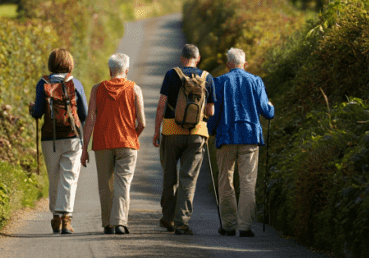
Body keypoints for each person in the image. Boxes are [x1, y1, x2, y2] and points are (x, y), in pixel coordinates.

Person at [207, 47, 274, 237]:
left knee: (225, 181)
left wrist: (210, 131)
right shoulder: (256, 81)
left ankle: (228, 225)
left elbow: (214, 114)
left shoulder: (218, 82)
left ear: (228, 64)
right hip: (250, 137)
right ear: (245, 64)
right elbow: (266, 112)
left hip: (226, 137)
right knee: (248, 182)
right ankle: (245, 227)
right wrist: (272, 107)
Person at [152, 44, 214, 235]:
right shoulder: (207, 78)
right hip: (197, 134)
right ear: (199, 57)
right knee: (188, 179)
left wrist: (156, 131)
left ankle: (168, 219)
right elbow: (210, 111)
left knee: (170, 177)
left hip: (171, 131)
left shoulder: (172, 74)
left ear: (182, 58)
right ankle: (182, 223)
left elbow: (161, 105)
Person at [81, 53, 145, 235]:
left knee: (105, 184)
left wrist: (84, 148)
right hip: (127, 143)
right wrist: (133, 135)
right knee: (123, 183)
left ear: (110, 70)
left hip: (102, 143)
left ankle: (108, 223)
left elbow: (90, 119)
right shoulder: (134, 89)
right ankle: (120, 222)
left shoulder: (97, 89)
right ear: (126, 69)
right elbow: (142, 122)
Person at [31, 48, 88, 235]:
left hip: (49, 138)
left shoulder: (43, 83)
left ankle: (56, 217)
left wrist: (32, 109)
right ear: (69, 64)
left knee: (54, 178)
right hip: (72, 137)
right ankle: (66, 219)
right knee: (69, 178)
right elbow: (85, 113)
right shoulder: (75, 83)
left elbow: (38, 112)